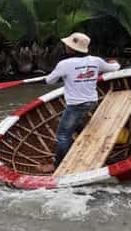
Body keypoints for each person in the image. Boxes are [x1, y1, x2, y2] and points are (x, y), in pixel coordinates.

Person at [39, 32, 120, 173]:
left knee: (63, 135)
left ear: (71, 49)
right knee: (76, 125)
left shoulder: (64, 64)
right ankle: (93, 146)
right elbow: (114, 68)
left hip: (76, 105)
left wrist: (56, 76)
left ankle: (58, 166)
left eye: (67, 45)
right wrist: (114, 62)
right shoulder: (96, 61)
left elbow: (49, 81)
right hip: (92, 102)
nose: (65, 47)